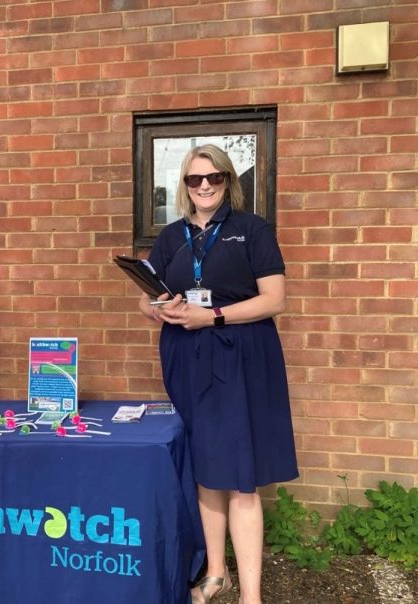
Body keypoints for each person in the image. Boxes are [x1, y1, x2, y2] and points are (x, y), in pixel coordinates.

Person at [138, 144, 298, 604]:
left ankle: (251, 595)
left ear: (228, 181)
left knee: (240, 474)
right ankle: (215, 572)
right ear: (184, 187)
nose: (204, 186)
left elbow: (274, 299)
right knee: (207, 467)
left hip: (239, 356)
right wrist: (160, 309)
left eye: (214, 178)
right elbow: (145, 297)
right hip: (186, 358)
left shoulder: (251, 230)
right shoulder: (171, 236)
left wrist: (214, 317)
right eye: (194, 179)